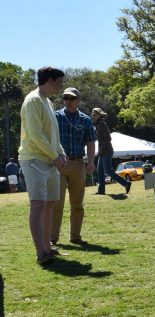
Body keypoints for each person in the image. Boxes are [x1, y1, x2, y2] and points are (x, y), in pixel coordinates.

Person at [19, 67, 67, 266]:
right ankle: (41, 252)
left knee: (50, 203)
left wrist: (61, 152)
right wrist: (54, 155)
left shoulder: (47, 102)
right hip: (33, 160)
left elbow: (52, 134)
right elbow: (35, 134)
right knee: (38, 204)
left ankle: (47, 246)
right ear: (50, 81)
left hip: (49, 160)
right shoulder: (33, 100)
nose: (61, 86)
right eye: (59, 82)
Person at [52, 87, 96, 247]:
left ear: (78, 100)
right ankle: (52, 238)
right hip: (59, 164)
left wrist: (91, 162)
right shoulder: (55, 116)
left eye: (71, 98)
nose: (68, 101)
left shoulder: (85, 120)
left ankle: (75, 236)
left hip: (78, 163)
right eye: (66, 98)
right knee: (56, 202)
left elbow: (91, 142)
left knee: (77, 203)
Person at [93, 107, 130, 195]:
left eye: (95, 114)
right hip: (103, 152)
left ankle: (126, 183)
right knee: (100, 171)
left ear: (99, 115)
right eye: (93, 114)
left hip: (106, 151)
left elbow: (108, 138)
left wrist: (101, 149)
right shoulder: (98, 125)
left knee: (108, 171)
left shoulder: (102, 124)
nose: (93, 115)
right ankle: (101, 191)